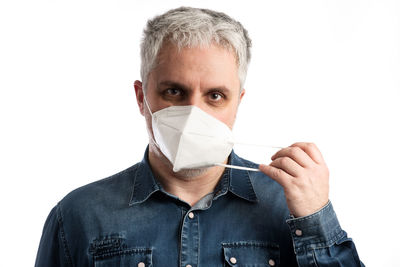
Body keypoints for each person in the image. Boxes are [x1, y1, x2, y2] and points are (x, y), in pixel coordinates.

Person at [35, 6, 364, 267]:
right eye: (174, 91)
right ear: (141, 98)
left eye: (215, 96)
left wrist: (315, 219)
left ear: (238, 103)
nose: (194, 114)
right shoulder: (79, 215)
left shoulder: (288, 209)